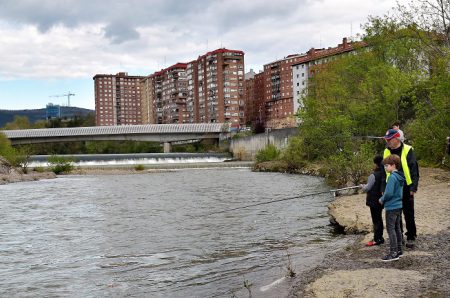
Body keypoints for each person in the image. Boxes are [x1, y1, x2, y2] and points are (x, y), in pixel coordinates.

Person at [382, 129, 419, 248]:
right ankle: (399, 237)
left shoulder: (408, 149)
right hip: (392, 186)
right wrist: (383, 187)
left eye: (389, 139)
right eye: (386, 139)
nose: (387, 141)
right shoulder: (386, 151)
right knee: (395, 212)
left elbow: (414, 169)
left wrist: (414, 187)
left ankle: (411, 236)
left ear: (396, 138)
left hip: (406, 186)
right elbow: (383, 171)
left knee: (408, 212)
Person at [379, 154, 405, 261]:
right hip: (399, 206)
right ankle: (399, 250)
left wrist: (382, 199)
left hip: (391, 207)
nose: (385, 168)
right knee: (397, 228)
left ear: (393, 165)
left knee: (391, 229)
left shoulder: (392, 177)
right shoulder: (400, 176)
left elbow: (389, 193)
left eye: (386, 166)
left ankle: (393, 253)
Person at [360, 155, 385, 246]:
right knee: (379, 219)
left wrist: (362, 186)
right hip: (381, 200)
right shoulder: (384, 173)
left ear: (376, 164)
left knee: (376, 220)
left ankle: (377, 239)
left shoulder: (373, 175)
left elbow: (367, 188)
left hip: (374, 201)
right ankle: (380, 237)